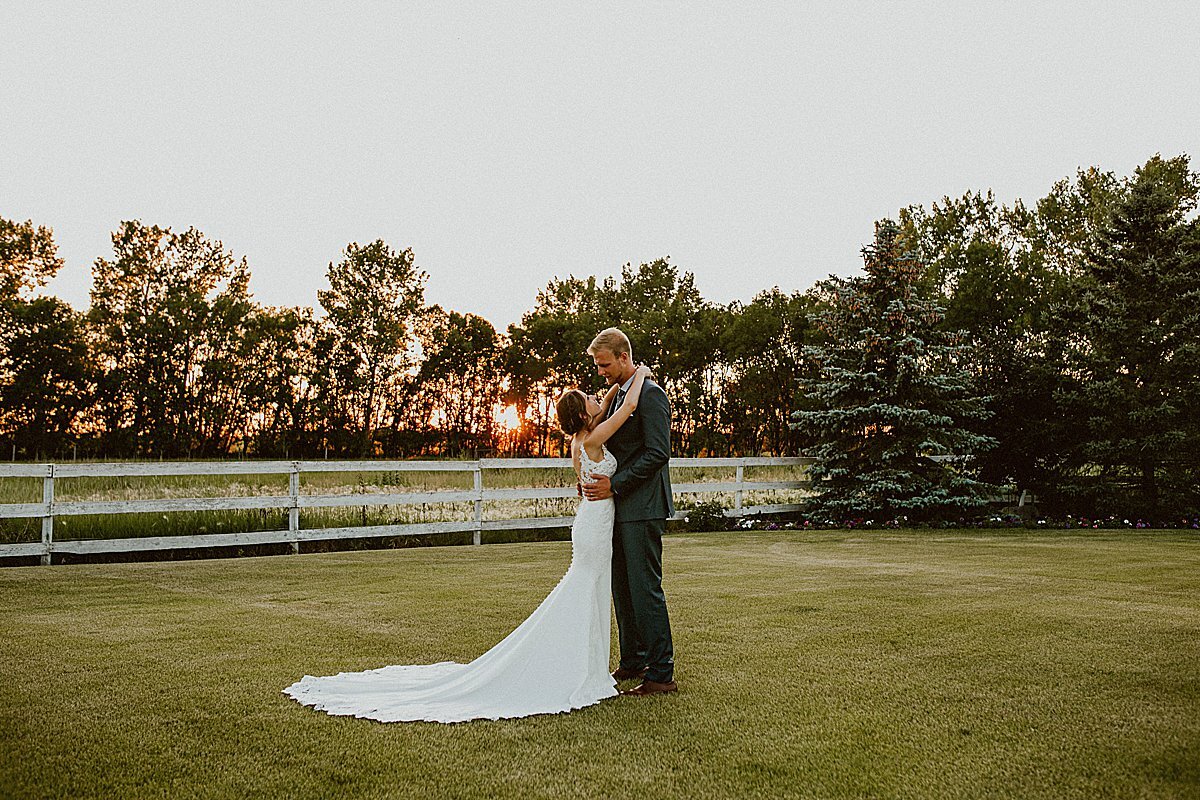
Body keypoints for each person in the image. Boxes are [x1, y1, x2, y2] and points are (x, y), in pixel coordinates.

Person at [282, 362, 653, 723]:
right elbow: (630, 407)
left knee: (588, 590)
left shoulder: (580, 438)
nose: (596, 397)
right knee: (586, 590)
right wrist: (640, 375)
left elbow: (606, 404)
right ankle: (577, 669)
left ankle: (587, 664)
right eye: (589, 399)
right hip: (594, 525)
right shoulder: (595, 438)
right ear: (584, 416)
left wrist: (616, 384)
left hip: (592, 521)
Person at [582, 328, 677, 696]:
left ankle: (661, 673)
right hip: (616, 509)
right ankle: (634, 659)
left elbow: (658, 453)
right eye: (597, 365)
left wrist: (615, 484)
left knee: (644, 589)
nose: (601, 370)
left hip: (643, 507)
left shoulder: (651, 395)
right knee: (622, 589)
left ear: (624, 357)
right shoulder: (620, 395)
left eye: (605, 364)